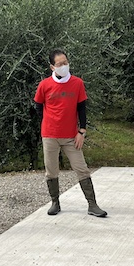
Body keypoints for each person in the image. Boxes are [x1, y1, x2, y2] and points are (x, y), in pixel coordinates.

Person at [34, 49, 107, 218]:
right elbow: (38, 105)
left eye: (65, 62)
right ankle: (55, 202)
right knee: (51, 170)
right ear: (52, 67)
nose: (64, 66)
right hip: (50, 135)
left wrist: (82, 131)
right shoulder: (44, 85)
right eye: (59, 64)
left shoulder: (77, 83)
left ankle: (92, 204)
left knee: (81, 168)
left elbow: (82, 107)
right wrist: (46, 122)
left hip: (71, 135)